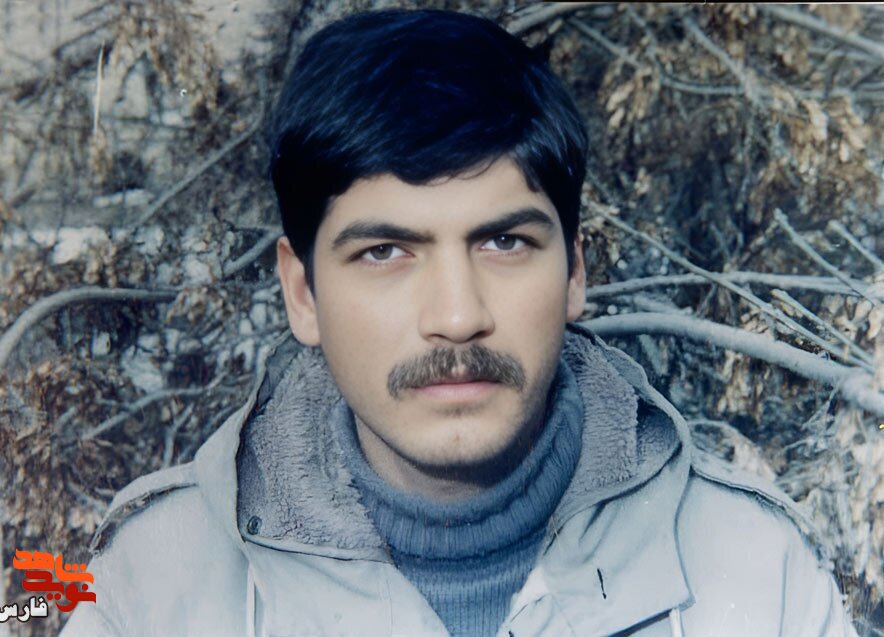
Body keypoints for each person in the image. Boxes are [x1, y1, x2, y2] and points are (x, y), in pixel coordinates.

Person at [62, 9, 857, 636]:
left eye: (504, 242)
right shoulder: (144, 586)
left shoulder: (761, 573)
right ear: (302, 293)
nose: (456, 316)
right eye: (384, 252)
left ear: (575, 271)